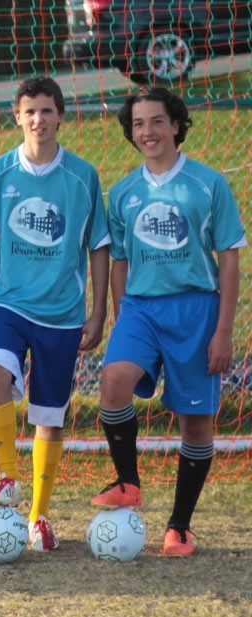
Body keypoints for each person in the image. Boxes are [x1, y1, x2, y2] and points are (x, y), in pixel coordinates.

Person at [93, 87, 244, 556]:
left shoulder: (208, 184)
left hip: (197, 310)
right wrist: (121, 315)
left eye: (156, 121)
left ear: (176, 125)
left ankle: (179, 526)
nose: (147, 132)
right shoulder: (121, 193)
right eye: (138, 124)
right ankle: (128, 482)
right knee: (114, 381)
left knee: (196, 426)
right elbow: (118, 259)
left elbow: (230, 260)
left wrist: (222, 331)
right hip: (140, 307)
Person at [0, 76, 110, 551]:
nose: (38, 120)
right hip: (6, 303)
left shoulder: (83, 176)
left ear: (61, 116)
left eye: (47, 110)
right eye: (30, 111)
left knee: (49, 416)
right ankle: (8, 477)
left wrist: (98, 311)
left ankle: (38, 515)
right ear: (17, 117)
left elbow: (99, 248)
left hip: (63, 312)